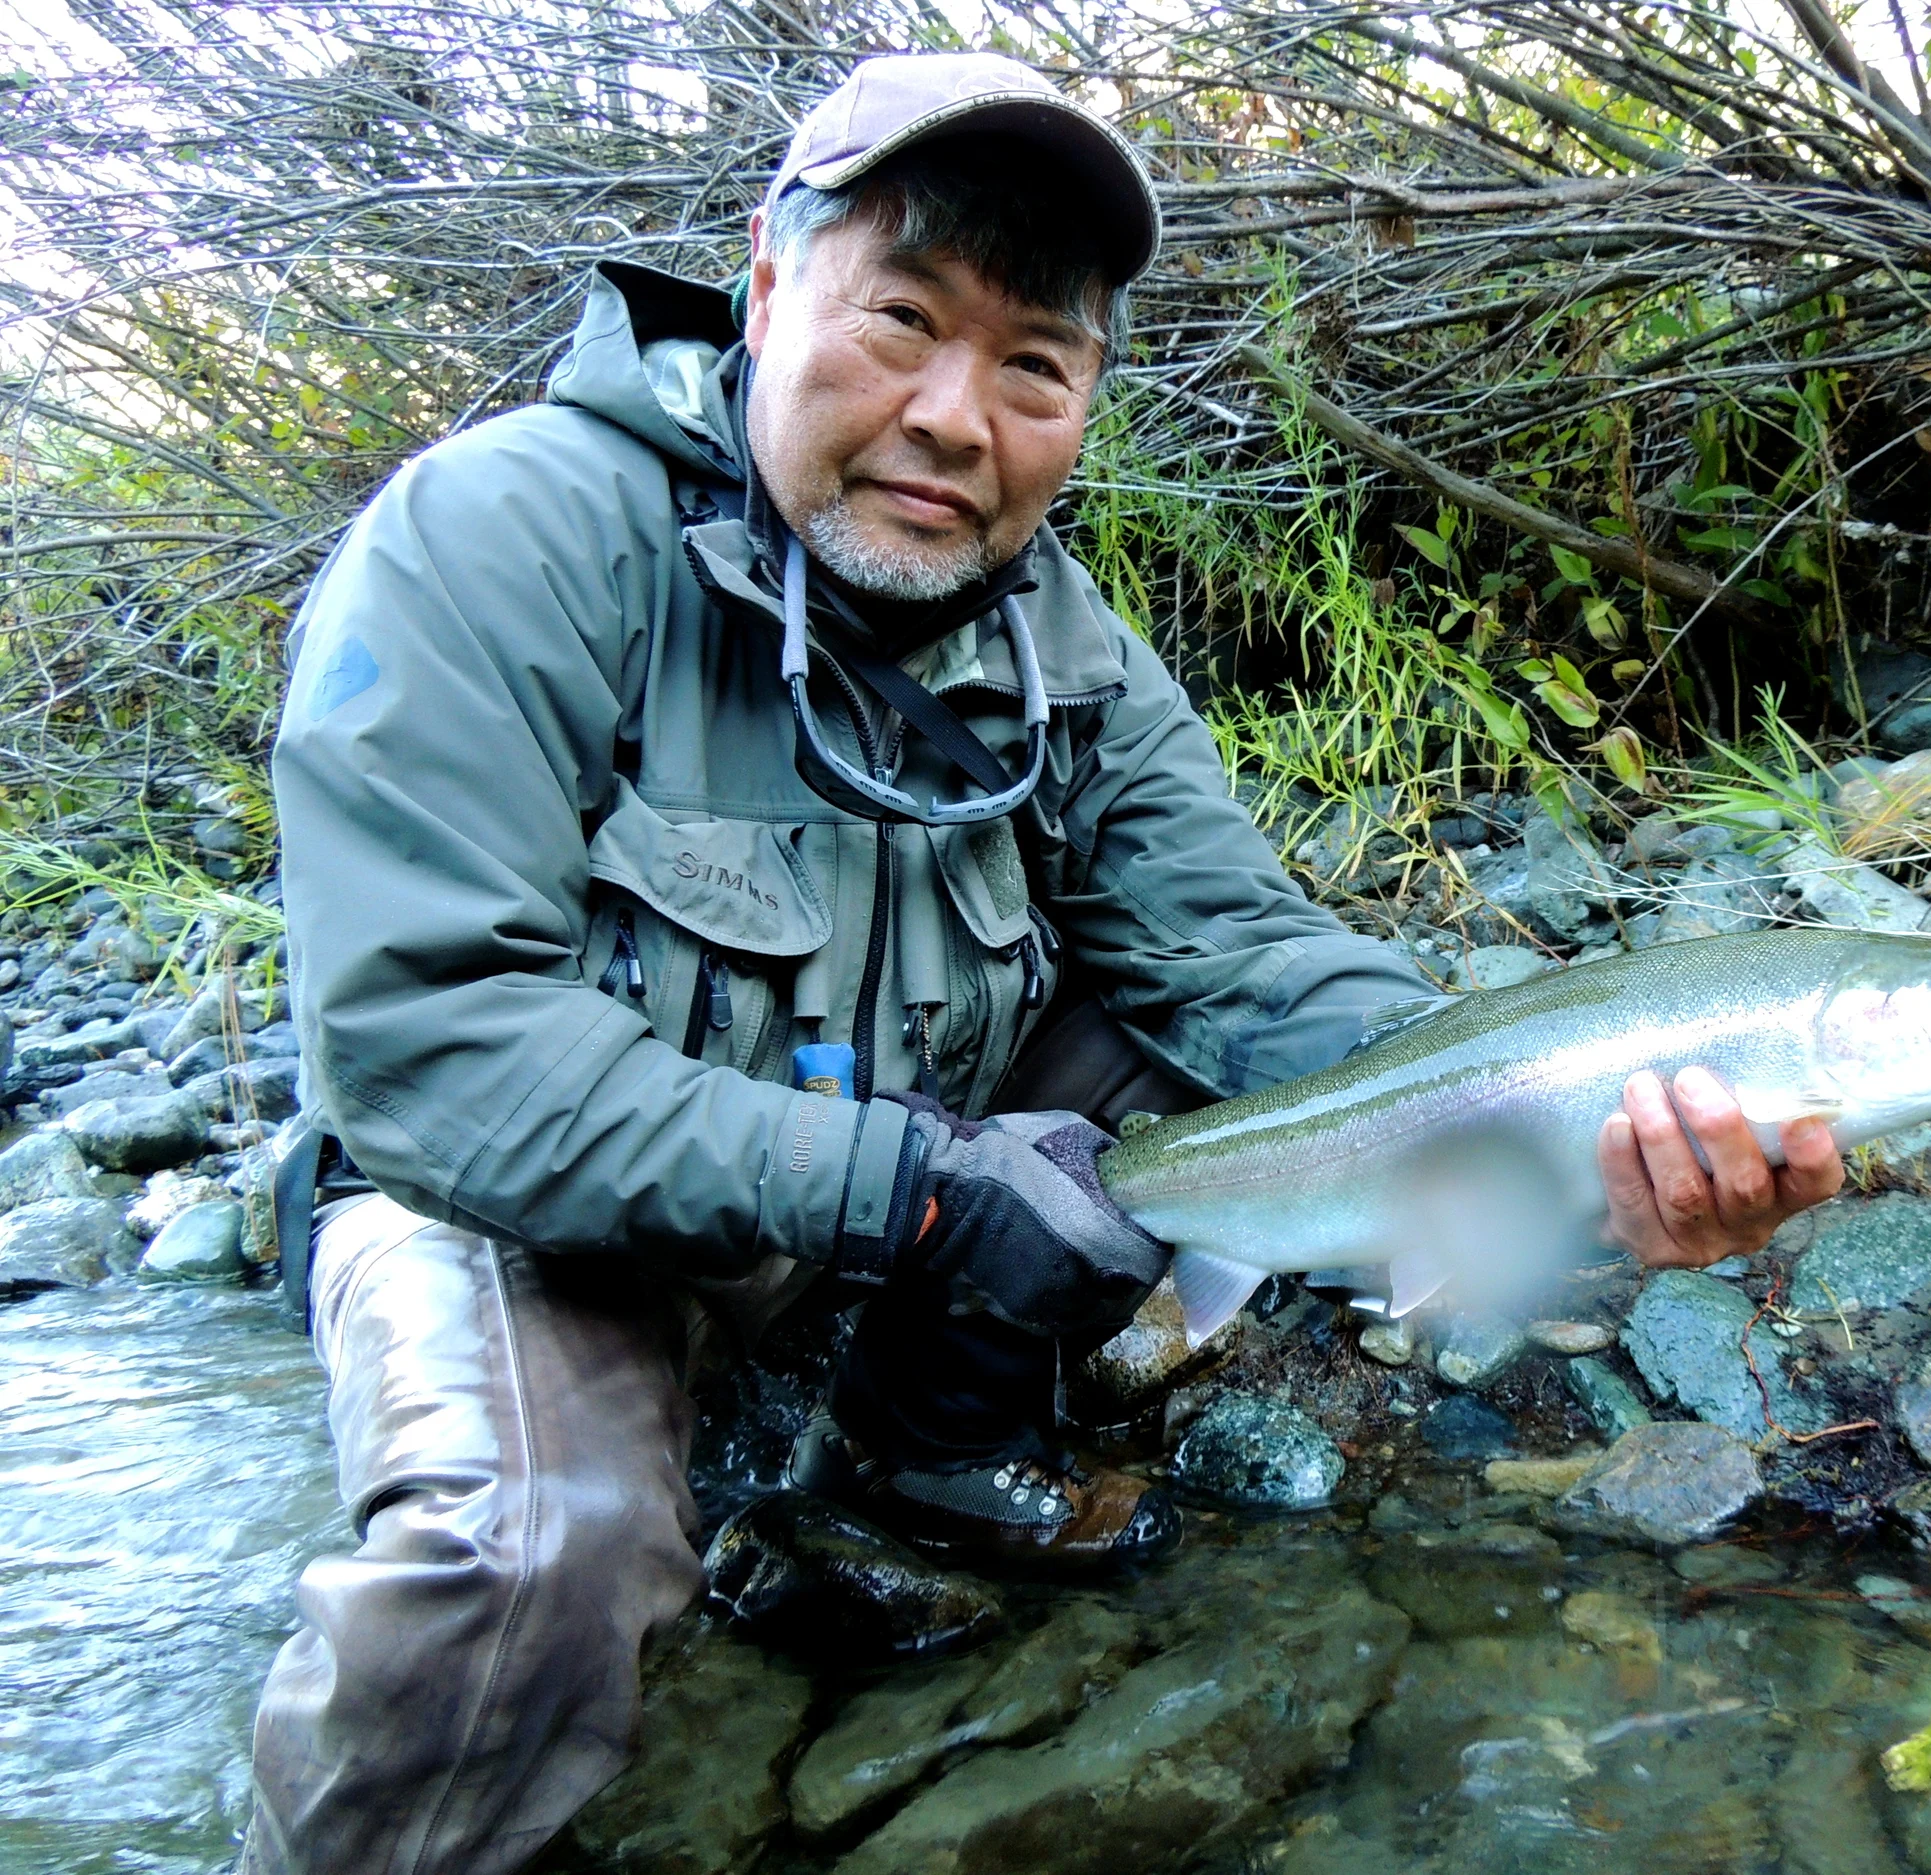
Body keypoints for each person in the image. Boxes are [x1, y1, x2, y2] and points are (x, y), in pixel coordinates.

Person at [239, 50, 1845, 1875]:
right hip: (514, 1204)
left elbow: (1242, 963)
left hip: (869, 1180)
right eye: (901, 320)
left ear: (1084, 402)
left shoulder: (1072, 652)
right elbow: (429, 1046)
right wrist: (913, 1188)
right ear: (769, 293)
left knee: (1194, 1060)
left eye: (1033, 366)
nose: (953, 416)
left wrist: (1564, 1112)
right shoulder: (505, 539)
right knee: (529, 1560)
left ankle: (927, 1452)